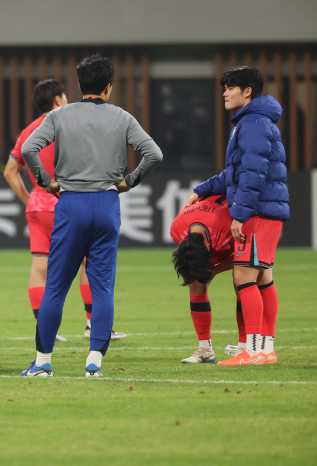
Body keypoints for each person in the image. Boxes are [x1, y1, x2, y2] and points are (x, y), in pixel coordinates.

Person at [19, 54, 162, 377]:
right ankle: (94, 360)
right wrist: (129, 182)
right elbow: (154, 153)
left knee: (56, 286)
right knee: (102, 288)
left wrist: (46, 181)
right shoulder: (123, 117)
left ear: (80, 85)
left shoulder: (60, 116)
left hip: (71, 203)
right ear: (108, 87)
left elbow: (29, 149)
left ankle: (42, 363)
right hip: (107, 205)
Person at [5, 79, 127, 343]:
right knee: (87, 261)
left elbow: (10, 171)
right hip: (67, 201)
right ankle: (91, 324)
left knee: (39, 267)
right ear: (58, 100)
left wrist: (29, 198)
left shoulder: (27, 131)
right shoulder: (67, 121)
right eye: (64, 96)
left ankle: (44, 327)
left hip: (38, 206)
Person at [184, 66, 289, 365]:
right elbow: (236, 173)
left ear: (248, 92)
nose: (225, 93)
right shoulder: (251, 121)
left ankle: (254, 351)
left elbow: (253, 175)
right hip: (266, 211)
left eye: (231, 87)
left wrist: (239, 216)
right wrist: (203, 189)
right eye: (225, 87)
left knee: (244, 277)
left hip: (257, 213)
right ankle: (264, 349)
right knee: (263, 279)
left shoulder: (253, 122)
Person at [170, 194, 245, 363]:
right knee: (195, 282)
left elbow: (246, 255)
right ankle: (205, 349)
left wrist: (217, 269)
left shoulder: (227, 228)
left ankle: (244, 347)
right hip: (210, 228)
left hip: (239, 230)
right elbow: (188, 260)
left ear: (210, 247)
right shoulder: (177, 228)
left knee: (242, 279)